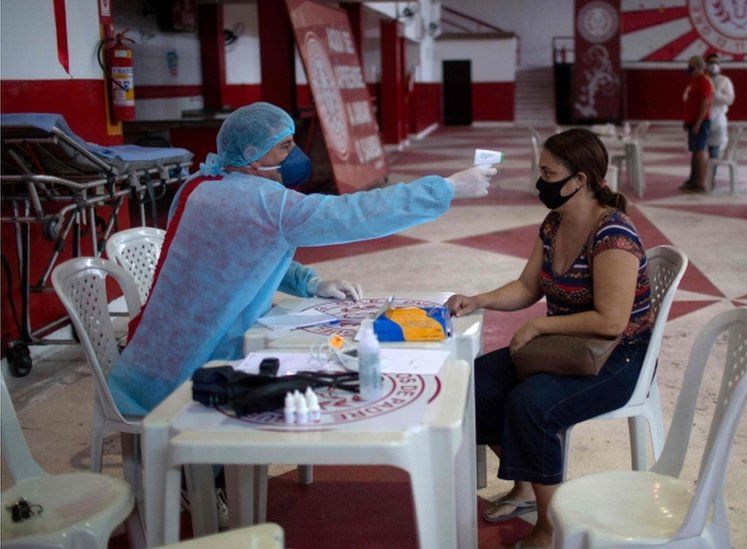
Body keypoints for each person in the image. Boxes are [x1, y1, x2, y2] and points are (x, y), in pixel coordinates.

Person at [107, 102, 495, 416]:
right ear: (251, 154)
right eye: (284, 147)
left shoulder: (202, 184)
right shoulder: (266, 202)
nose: (295, 155)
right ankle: (204, 488)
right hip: (184, 371)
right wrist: (447, 188)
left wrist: (308, 282)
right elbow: (355, 214)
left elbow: (238, 256)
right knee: (218, 419)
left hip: (147, 353)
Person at [447, 128, 653, 549]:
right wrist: (478, 299)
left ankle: (551, 526)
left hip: (618, 358)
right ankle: (525, 486)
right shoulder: (555, 222)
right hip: (567, 350)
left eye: (548, 172)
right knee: (472, 382)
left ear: (580, 180)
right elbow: (528, 287)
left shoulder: (614, 233)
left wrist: (540, 326)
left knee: (532, 404)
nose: (540, 181)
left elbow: (612, 321)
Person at [679, 55, 714, 193]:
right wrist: (687, 121)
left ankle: (701, 183)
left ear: (700, 68)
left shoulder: (705, 82)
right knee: (694, 152)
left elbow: (705, 103)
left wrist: (698, 122)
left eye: (692, 66)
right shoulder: (694, 81)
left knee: (699, 152)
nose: (689, 68)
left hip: (701, 122)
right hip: (692, 122)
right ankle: (693, 180)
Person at [705, 53, 735, 160]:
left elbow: (730, 99)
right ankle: (702, 175)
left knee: (714, 151)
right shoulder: (702, 79)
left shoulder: (724, 80)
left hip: (718, 120)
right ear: (706, 65)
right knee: (701, 151)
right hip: (703, 119)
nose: (713, 65)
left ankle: (711, 175)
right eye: (711, 62)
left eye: (716, 62)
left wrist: (716, 95)